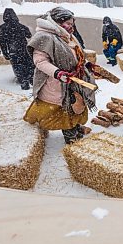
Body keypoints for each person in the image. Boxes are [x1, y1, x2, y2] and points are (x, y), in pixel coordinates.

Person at [23, 7, 97, 144]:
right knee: (66, 110)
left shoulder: (66, 35)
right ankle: (71, 137)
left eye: (72, 23)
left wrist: (85, 64)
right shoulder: (44, 37)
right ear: (56, 21)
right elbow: (40, 61)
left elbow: (76, 54)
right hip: (58, 83)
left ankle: (76, 127)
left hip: (74, 80)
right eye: (68, 23)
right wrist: (58, 73)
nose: (71, 26)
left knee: (77, 105)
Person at [0, 8, 34, 90]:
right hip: (24, 50)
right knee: (28, 66)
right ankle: (32, 80)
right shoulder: (20, 26)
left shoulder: (2, 28)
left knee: (18, 67)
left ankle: (24, 83)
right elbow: (29, 35)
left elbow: (2, 42)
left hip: (13, 51)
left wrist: (5, 53)